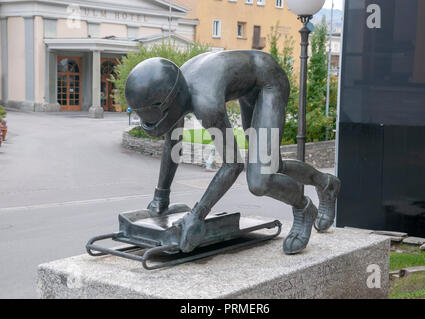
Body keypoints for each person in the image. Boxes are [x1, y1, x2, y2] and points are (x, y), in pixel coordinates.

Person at [125, 50, 340, 255]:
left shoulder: (205, 102)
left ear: (166, 105)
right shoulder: (174, 85)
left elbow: (233, 164)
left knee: (260, 181)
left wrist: (197, 214)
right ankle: (326, 183)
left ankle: (303, 209)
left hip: (269, 83)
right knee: (272, 165)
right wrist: (160, 197)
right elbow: (172, 145)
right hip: (249, 84)